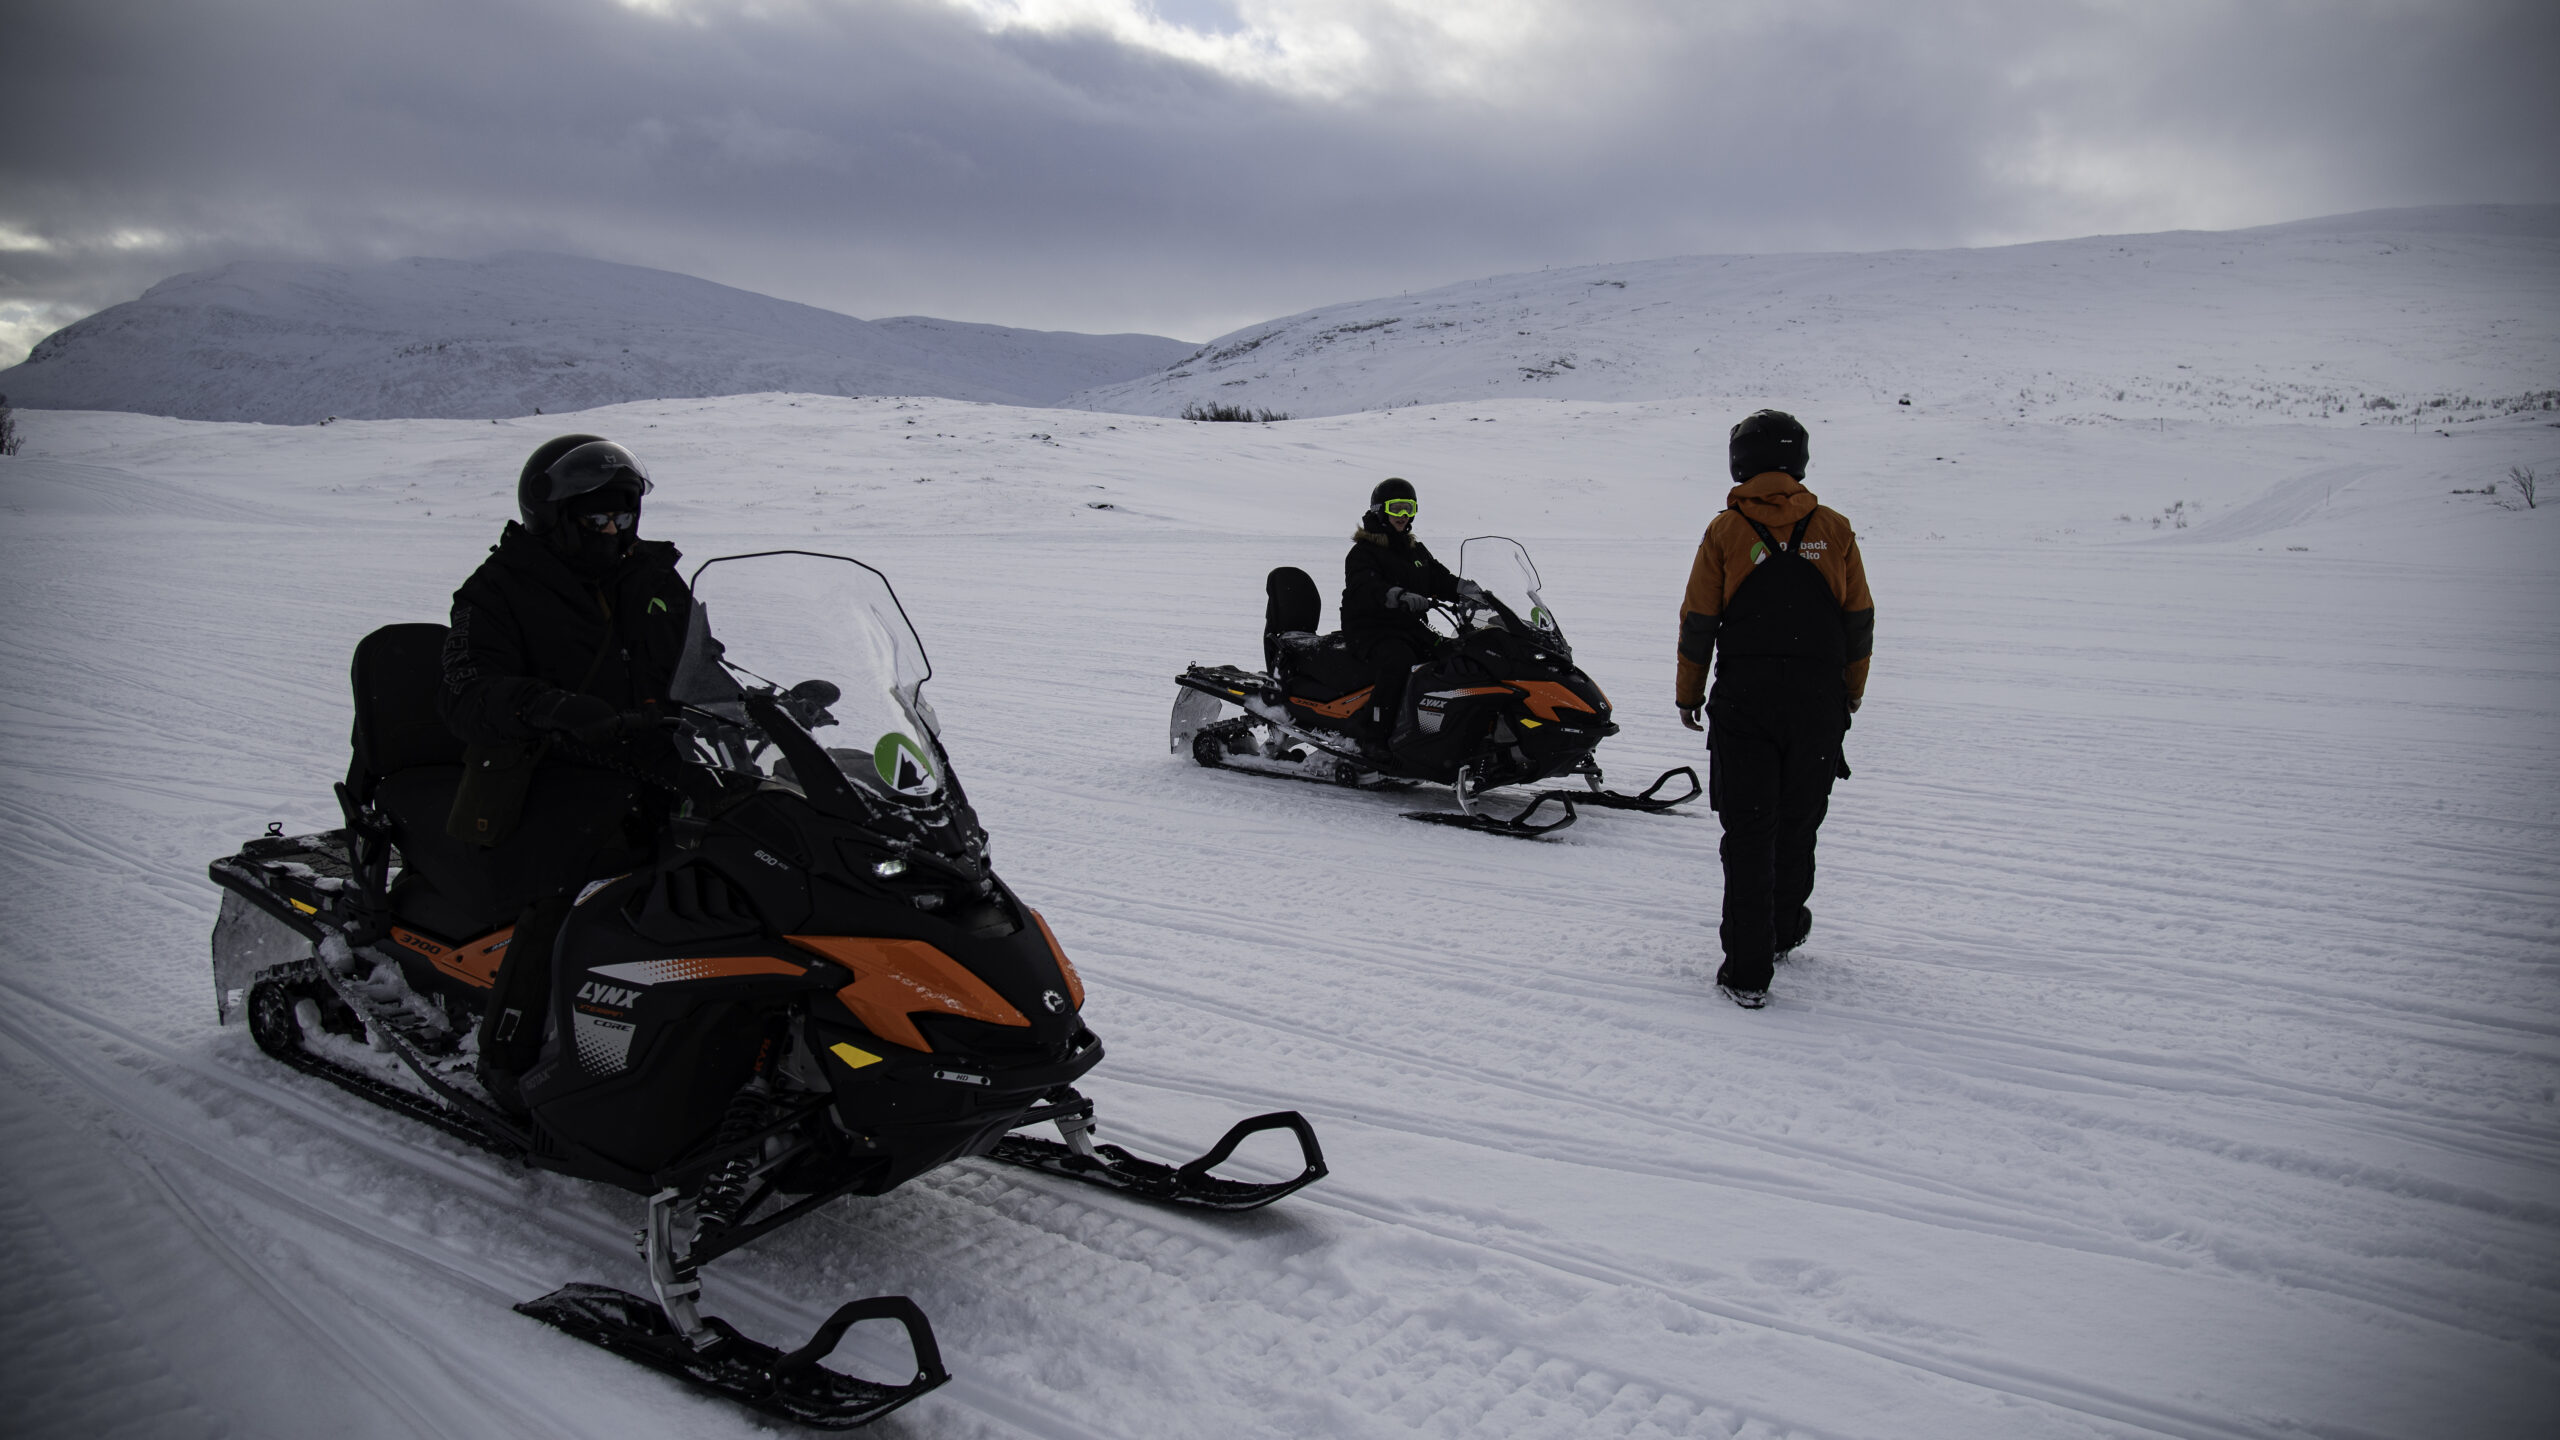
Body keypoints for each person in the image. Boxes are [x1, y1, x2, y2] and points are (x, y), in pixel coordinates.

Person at [439, 434, 695, 1111]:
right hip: (547, 774)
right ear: (554, 519)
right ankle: (507, 1060)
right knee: (564, 900)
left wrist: (765, 701)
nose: (614, 532)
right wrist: (548, 707)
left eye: (623, 517)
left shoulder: (653, 578)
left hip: (654, 767)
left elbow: (697, 658)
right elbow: (466, 693)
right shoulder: (497, 590)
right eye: (597, 519)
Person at [1675, 411, 1873, 1009]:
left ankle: (1748, 971)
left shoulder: (1725, 532)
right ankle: (1784, 929)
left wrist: (1688, 694)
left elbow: (1698, 622)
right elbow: (1857, 620)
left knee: (1749, 829)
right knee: (1798, 820)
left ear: (1740, 461)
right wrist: (1851, 692)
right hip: (1818, 705)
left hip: (1745, 703)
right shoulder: (1834, 528)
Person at [1341, 478, 1479, 748]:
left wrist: (1470, 591)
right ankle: (1374, 737)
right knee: (1400, 662)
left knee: (1454, 657)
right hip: (1371, 629)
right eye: (1397, 509)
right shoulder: (1363, 552)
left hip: (1409, 628)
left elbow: (1439, 578)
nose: (1403, 516)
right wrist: (1397, 595)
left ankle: (1437, 736)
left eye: (1409, 508)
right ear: (1381, 511)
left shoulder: (1415, 549)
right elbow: (1365, 586)